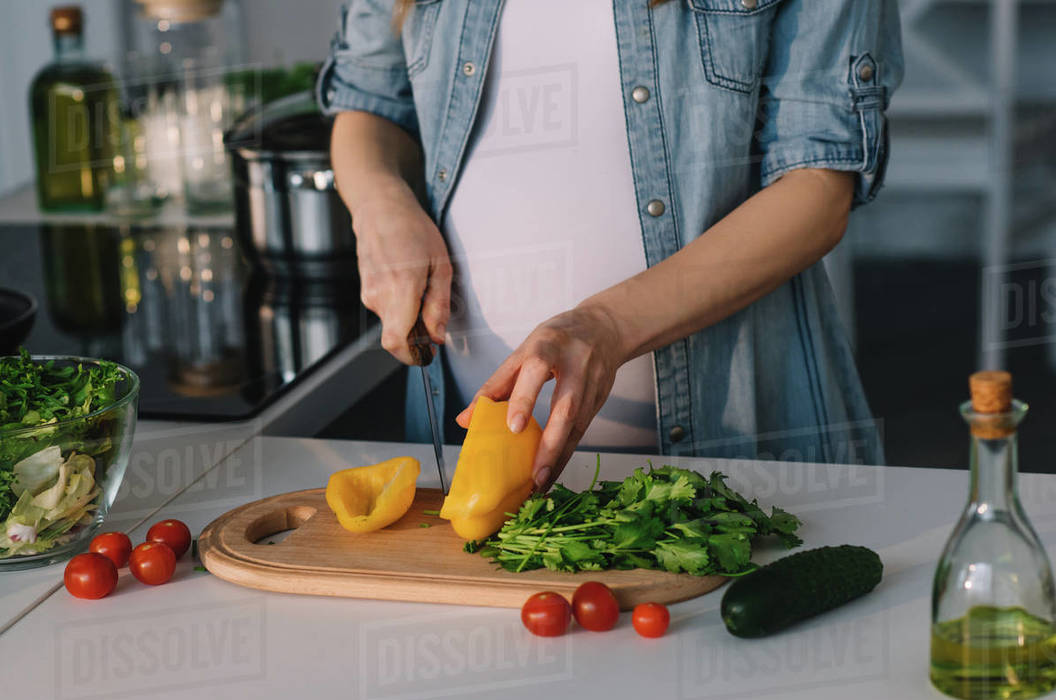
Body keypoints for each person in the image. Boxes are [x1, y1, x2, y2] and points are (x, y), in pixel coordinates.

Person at [319, 0, 903, 490]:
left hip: (742, 455)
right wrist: (380, 203)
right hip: (463, 461)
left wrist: (606, 324)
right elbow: (371, 101)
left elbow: (819, 189)